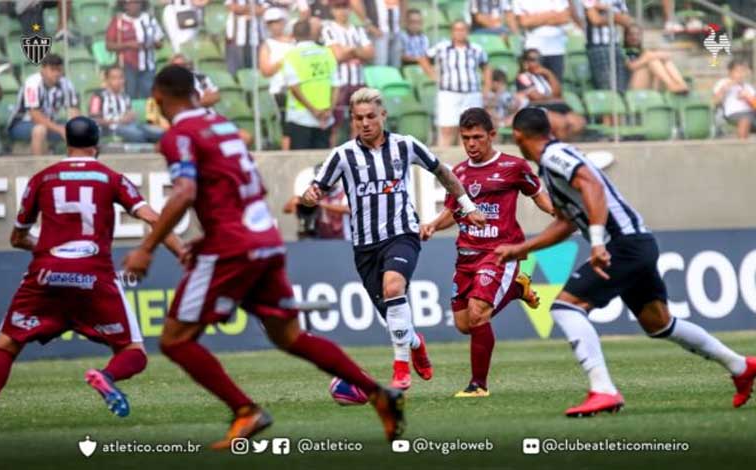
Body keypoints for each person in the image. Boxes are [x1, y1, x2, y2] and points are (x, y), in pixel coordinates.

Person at [122, 65, 405, 448]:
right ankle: (378, 394)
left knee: (174, 340)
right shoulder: (222, 126)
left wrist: (145, 248)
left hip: (232, 247)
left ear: (157, 97)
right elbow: (240, 187)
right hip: (266, 240)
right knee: (288, 335)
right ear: (195, 91)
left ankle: (245, 411)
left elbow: (185, 192)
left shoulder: (178, 136)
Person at [497, 107, 756, 416]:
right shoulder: (551, 167)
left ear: (518, 137)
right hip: (636, 244)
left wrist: (595, 242)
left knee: (566, 308)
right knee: (659, 323)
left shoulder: (555, 156)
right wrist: (522, 248)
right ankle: (740, 366)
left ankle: (603, 390)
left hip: (623, 245)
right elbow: (566, 222)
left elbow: (591, 185)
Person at [301, 88, 487, 389]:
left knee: (393, 286)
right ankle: (415, 343)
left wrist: (468, 206)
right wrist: (309, 197)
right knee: (394, 317)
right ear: (352, 120)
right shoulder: (343, 155)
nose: (365, 123)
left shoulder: (406, 146)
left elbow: (443, 172)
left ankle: (400, 367)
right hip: (364, 246)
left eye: (371, 117)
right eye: (359, 118)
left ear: (383, 116)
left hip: (402, 234)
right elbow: (315, 192)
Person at [0, 117, 183, 416]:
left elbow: (17, 237)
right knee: (133, 351)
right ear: (97, 145)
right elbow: (152, 218)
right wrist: (183, 253)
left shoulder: (41, 179)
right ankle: (106, 377)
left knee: (5, 346)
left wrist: (49, 249)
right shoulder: (112, 177)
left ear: (66, 143)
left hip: (45, 275)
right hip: (94, 277)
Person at [419, 108, 552, 397]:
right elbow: (453, 213)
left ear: (492, 135)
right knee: (465, 324)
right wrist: (431, 225)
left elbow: (540, 197)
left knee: (479, 314)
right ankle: (517, 290)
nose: (471, 144)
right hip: (466, 255)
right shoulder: (458, 173)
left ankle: (478, 385)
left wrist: (566, 215)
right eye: (466, 138)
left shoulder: (514, 167)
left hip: (500, 252)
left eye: (478, 137)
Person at [418, 20, 492, 147]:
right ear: (452, 32)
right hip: (448, 93)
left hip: (472, 94)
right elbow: (423, 59)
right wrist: (432, 75)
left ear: (467, 31)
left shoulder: (476, 49)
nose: (460, 32)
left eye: (462, 29)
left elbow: (486, 67)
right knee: (447, 128)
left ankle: (466, 161)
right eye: (457, 29)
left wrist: (487, 87)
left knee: (470, 130)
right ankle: (444, 160)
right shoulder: (442, 47)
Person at [321, 0, 374, 144]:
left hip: (358, 81)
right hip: (339, 82)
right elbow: (337, 56)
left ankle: (356, 156)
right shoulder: (329, 29)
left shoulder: (358, 30)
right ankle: (331, 157)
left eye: (344, 7)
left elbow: (370, 54)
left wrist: (351, 50)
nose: (342, 11)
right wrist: (358, 51)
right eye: (338, 7)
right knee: (335, 123)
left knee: (359, 122)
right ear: (332, 10)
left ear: (350, 9)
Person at [7, 54, 80, 156]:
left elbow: (73, 110)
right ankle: (39, 167)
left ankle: (76, 166)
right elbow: (35, 117)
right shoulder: (32, 83)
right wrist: (60, 129)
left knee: (80, 128)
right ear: (43, 69)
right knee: (40, 129)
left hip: (50, 122)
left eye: (59, 70)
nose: (56, 73)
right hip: (22, 124)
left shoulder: (66, 83)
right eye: (52, 70)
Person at [283, 19, 339, 149]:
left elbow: (294, 88)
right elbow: (336, 86)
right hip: (325, 118)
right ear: (310, 33)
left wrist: (314, 111)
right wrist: (329, 111)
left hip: (301, 117)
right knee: (323, 164)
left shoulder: (291, 56)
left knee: (300, 165)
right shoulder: (327, 52)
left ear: (294, 35)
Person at [516, 48, 585, 140]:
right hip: (536, 109)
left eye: (540, 59)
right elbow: (536, 97)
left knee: (578, 122)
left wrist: (549, 74)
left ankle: (565, 143)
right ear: (525, 62)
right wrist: (554, 98)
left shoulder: (543, 77)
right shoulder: (523, 77)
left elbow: (557, 93)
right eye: (533, 59)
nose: (538, 62)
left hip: (553, 107)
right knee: (561, 123)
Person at [105, 0, 165, 99]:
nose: (134, 5)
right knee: (130, 97)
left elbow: (160, 42)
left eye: (137, 2)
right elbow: (109, 46)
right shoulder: (118, 21)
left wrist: (151, 44)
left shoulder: (149, 19)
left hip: (148, 67)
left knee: (150, 98)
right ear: (124, 5)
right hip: (127, 67)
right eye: (130, 3)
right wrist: (128, 45)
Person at [89, 66, 163, 143]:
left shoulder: (125, 96)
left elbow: (129, 113)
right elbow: (94, 119)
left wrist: (131, 115)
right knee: (139, 135)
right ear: (107, 80)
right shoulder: (97, 96)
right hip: (111, 129)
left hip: (131, 125)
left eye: (121, 78)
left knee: (159, 133)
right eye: (114, 78)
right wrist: (118, 121)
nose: (118, 81)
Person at [258, 7, 295, 150]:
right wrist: (284, 60)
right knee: (286, 126)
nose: (275, 26)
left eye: (277, 22)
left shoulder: (294, 41)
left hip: (297, 87)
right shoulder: (267, 44)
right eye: (271, 23)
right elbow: (265, 70)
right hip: (280, 90)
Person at [284, 163, 351, 240]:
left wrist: (321, 204)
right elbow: (287, 209)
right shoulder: (314, 190)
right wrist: (300, 201)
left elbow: (348, 209)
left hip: (342, 238)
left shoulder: (344, 191)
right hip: (321, 238)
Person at [511, 0, 571, 82]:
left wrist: (536, 17)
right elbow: (524, 22)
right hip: (533, 50)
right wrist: (551, 15)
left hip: (556, 50)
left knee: (555, 89)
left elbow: (564, 18)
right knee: (535, 88)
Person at [582, 0, 632, 94]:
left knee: (621, 87)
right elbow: (595, 20)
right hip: (597, 48)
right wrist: (616, 17)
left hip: (616, 46)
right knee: (607, 87)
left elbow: (627, 21)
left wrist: (605, 9)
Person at [624, 24, 688, 94]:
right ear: (626, 36)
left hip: (649, 84)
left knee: (663, 60)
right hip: (632, 86)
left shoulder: (642, 50)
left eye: (637, 34)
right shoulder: (623, 50)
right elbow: (631, 66)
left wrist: (652, 56)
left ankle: (681, 84)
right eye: (631, 34)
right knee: (652, 60)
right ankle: (671, 85)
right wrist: (648, 57)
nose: (634, 37)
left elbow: (666, 56)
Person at [713, 59, 756, 140]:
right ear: (730, 72)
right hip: (734, 113)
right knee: (745, 120)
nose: (741, 74)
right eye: (738, 71)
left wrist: (749, 97)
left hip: (751, 113)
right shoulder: (723, 83)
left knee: (747, 117)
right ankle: (742, 146)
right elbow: (715, 101)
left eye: (743, 71)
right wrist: (726, 88)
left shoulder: (748, 87)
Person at [352, 0, 404, 67]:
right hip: (378, 31)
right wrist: (368, 25)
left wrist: (402, 20)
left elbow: (403, 2)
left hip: (396, 30)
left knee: (396, 66)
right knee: (380, 66)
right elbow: (355, 2)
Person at [225, 0, 266, 75]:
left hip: (256, 34)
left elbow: (262, 9)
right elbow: (233, 7)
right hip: (236, 34)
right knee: (236, 66)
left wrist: (243, 9)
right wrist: (252, 9)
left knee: (255, 65)